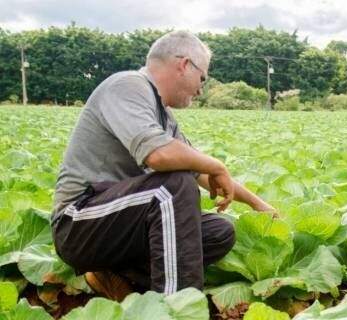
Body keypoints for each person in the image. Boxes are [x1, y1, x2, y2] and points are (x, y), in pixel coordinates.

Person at [51, 30, 275, 301]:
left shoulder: (163, 116)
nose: (201, 89)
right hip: (78, 223)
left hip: (117, 223)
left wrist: (257, 204)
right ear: (184, 65)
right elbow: (158, 155)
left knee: (218, 232)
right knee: (172, 187)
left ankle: (117, 277)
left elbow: (200, 170)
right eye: (202, 77)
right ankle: (176, 307)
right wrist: (217, 166)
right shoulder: (127, 85)